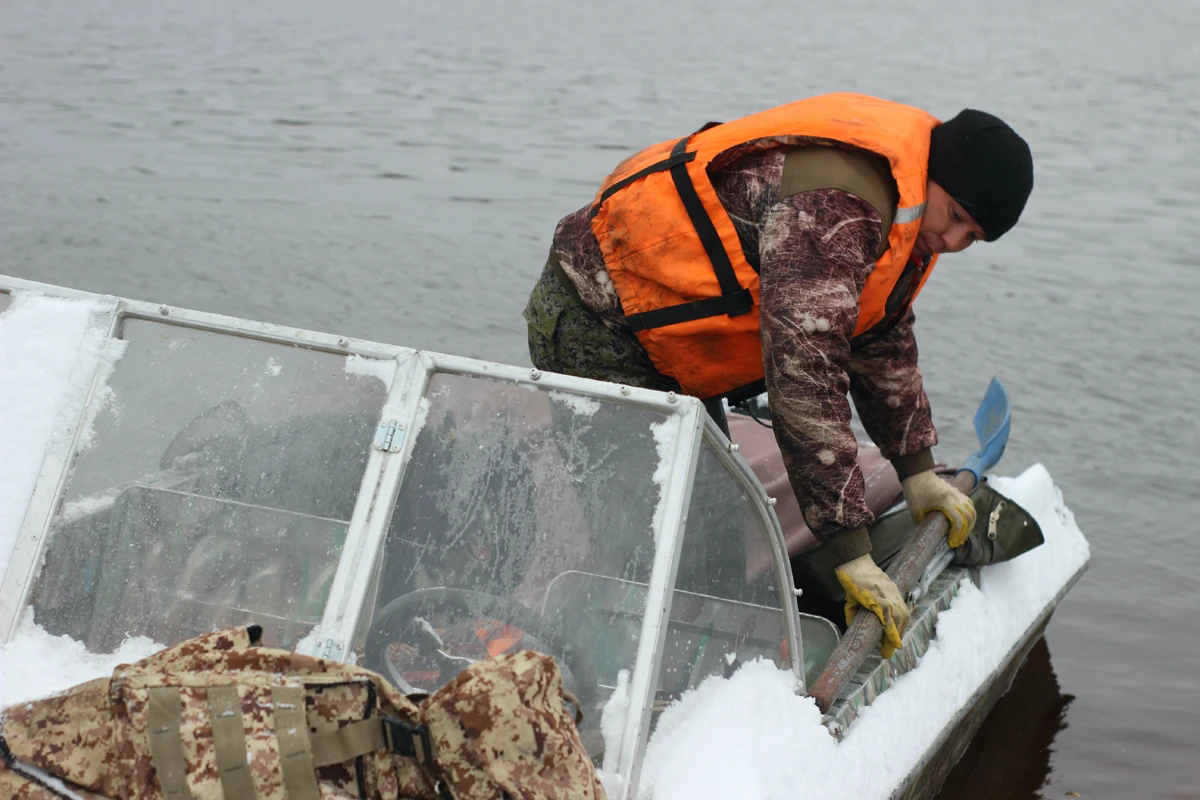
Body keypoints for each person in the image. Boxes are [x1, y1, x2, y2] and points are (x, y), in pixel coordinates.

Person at [523, 92, 1034, 657]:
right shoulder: (838, 209)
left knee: (712, 523)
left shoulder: (910, 214)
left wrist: (915, 469)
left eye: (974, 239)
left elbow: (880, 334)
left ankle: (702, 667)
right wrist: (851, 549)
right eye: (958, 218)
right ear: (936, 174)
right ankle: (609, 676)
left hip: (677, 346)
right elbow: (804, 377)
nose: (955, 242)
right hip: (598, 321)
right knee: (650, 527)